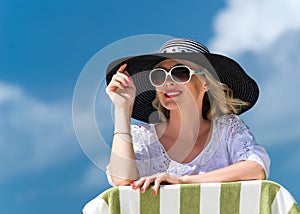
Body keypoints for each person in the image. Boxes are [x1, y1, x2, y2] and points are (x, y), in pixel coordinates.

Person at [105, 38, 270, 195]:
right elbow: (122, 179)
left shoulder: (228, 129)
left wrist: (183, 182)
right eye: (159, 76)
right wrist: (122, 109)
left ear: (205, 82)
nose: (168, 82)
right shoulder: (143, 137)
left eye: (181, 73)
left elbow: (256, 169)